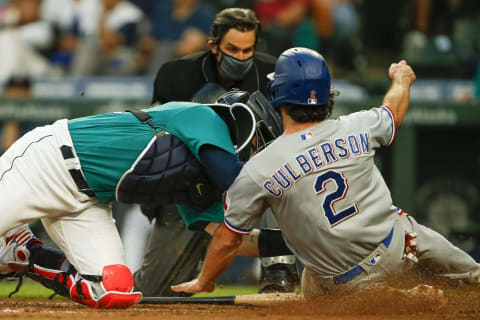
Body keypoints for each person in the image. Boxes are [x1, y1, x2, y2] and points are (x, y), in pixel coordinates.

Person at [171, 47, 480, 297]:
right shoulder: (358, 125)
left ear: (276, 94)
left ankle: (409, 298)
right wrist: (402, 79)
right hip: (402, 245)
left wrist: (205, 282)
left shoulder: (258, 170)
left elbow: (228, 241)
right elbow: (393, 111)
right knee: (468, 274)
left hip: (347, 284)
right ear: (326, 93)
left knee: (313, 278)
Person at [0, 93, 287, 308]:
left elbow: (232, 238)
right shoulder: (205, 117)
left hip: (86, 202)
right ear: (244, 123)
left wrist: (300, 242)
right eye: (262, 141)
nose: (260, 153)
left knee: (114, 290)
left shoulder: (202, 180)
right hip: (45, 162)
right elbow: (238, 181)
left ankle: (22, 252)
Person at [134, 7, 298, 297]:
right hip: (189, 187)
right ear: (214, 46)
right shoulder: (177, 73)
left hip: (253, 180)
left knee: (281, 177)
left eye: (248, 50)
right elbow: (158, 140)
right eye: (233, 49)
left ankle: (279, 273)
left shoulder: (271, 75)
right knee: (157, 293)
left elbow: (288, 139)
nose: (242, 57)